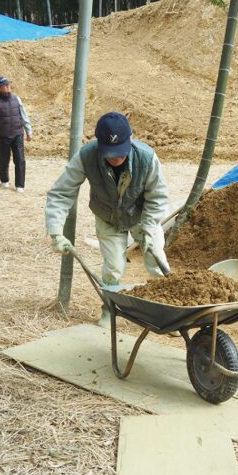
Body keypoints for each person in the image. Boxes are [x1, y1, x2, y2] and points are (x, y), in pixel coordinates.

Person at [45, 112, 171, 325]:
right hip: (108, 217)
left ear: (130, 139)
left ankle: (169, 313)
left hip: (142, 216)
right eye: (110, 153)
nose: (115, 158)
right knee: (113, 268)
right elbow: (61, 192)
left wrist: (149, 230)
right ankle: (110, 310)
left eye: (120, 152)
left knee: (156, 261)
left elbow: (157, 197)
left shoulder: (147, 157)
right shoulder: (87, 156)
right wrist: (56, 232)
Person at [0, 76, 33, 192]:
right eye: (4, 85)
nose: (7, 86)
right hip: (3, 135)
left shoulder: (17, 99)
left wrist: (28, 131)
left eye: (8, 84)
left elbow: (24, 115)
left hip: (18, 134)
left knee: (20, 159)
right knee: (4, 159)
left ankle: (20, 185)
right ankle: (4, 180)